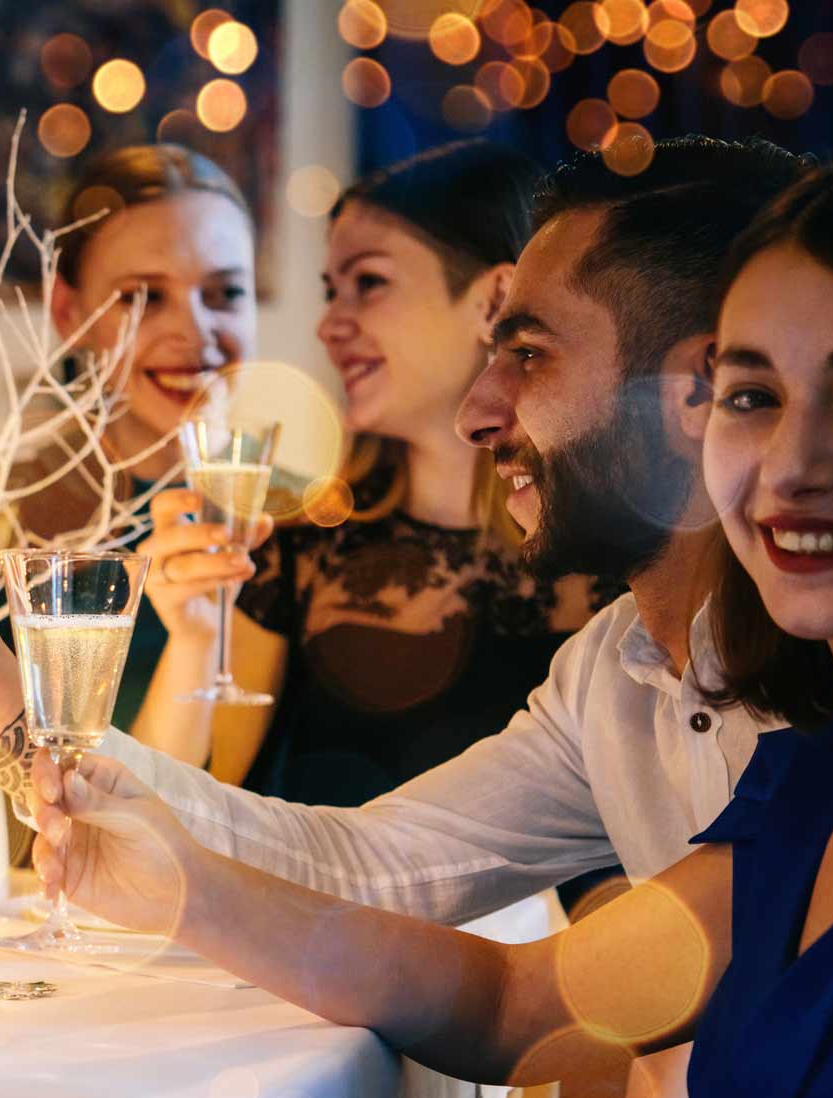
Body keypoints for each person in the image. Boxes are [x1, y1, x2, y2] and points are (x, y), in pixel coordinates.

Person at [31, 148, 833, 1098]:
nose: (479, 415)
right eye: (759, 397)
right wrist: (31, 764)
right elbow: (499, 987)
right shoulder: (806, 764)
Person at [0, 136, 809, 1098]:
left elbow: (516, 998)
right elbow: (372, 862)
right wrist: (6, 739)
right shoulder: (609, 670)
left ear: (697, 387)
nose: (484, 409)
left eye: (528, 353)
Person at [205, 142, 618, 806]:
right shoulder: (293, 543)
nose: (329, 325)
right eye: (331, 291)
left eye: (368, 283)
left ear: (496, 299)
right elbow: (201, 802)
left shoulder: (615, 566)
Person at [3, 144, 267, 753]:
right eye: (143, 296)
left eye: (225, 294)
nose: (195, 332)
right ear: (69, 313)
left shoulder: (309, 519)